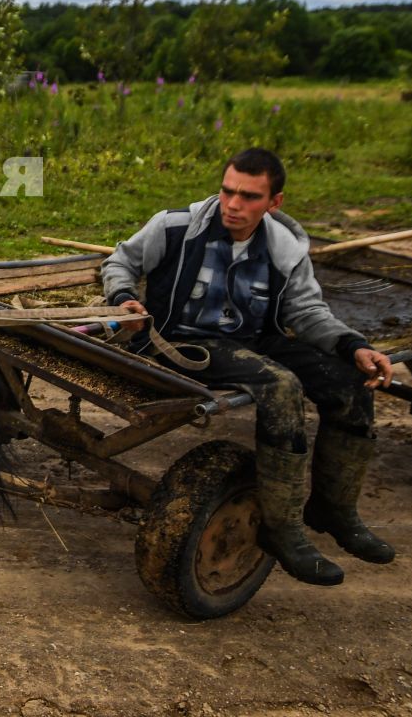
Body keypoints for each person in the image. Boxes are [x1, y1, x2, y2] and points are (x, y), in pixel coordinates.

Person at [103, 147, 395, 586]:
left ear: (274, 202)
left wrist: (354, 345)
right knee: (280, 385)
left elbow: (306, 312)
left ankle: (335, 510)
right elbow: (119, 260)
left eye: (250, 197)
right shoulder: (174, 226)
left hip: (251, 340)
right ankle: (282, 529)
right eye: (227, 191)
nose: (234, 205)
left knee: (351, 384)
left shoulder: (285, 247)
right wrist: (123, 298)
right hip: (180, 342)